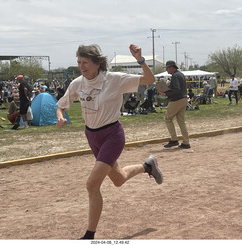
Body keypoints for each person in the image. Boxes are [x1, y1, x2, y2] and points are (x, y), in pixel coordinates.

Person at [56, 44, 163, 240]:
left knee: (91, 185)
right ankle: (147, 166)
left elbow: (149, 80)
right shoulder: (77, 83)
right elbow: (61, 106)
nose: (81, 66)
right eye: (79, 62)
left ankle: (89, 235)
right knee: (119, 179)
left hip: (112, 135)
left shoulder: (114, 79)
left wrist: (140, 60)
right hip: (92, 136)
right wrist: (60, 116)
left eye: (85, 62)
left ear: (97, 63)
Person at [163, 60, 190, 149]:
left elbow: (177, 89)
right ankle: (186, 142)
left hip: (176, 100)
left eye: (167, 68)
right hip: (184, 99)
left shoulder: (174, 76)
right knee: (181, 121)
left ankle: (174, 139)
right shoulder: (181, 74)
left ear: (171, 67)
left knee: (167, 119)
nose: (167, 70)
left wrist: (166, 93)